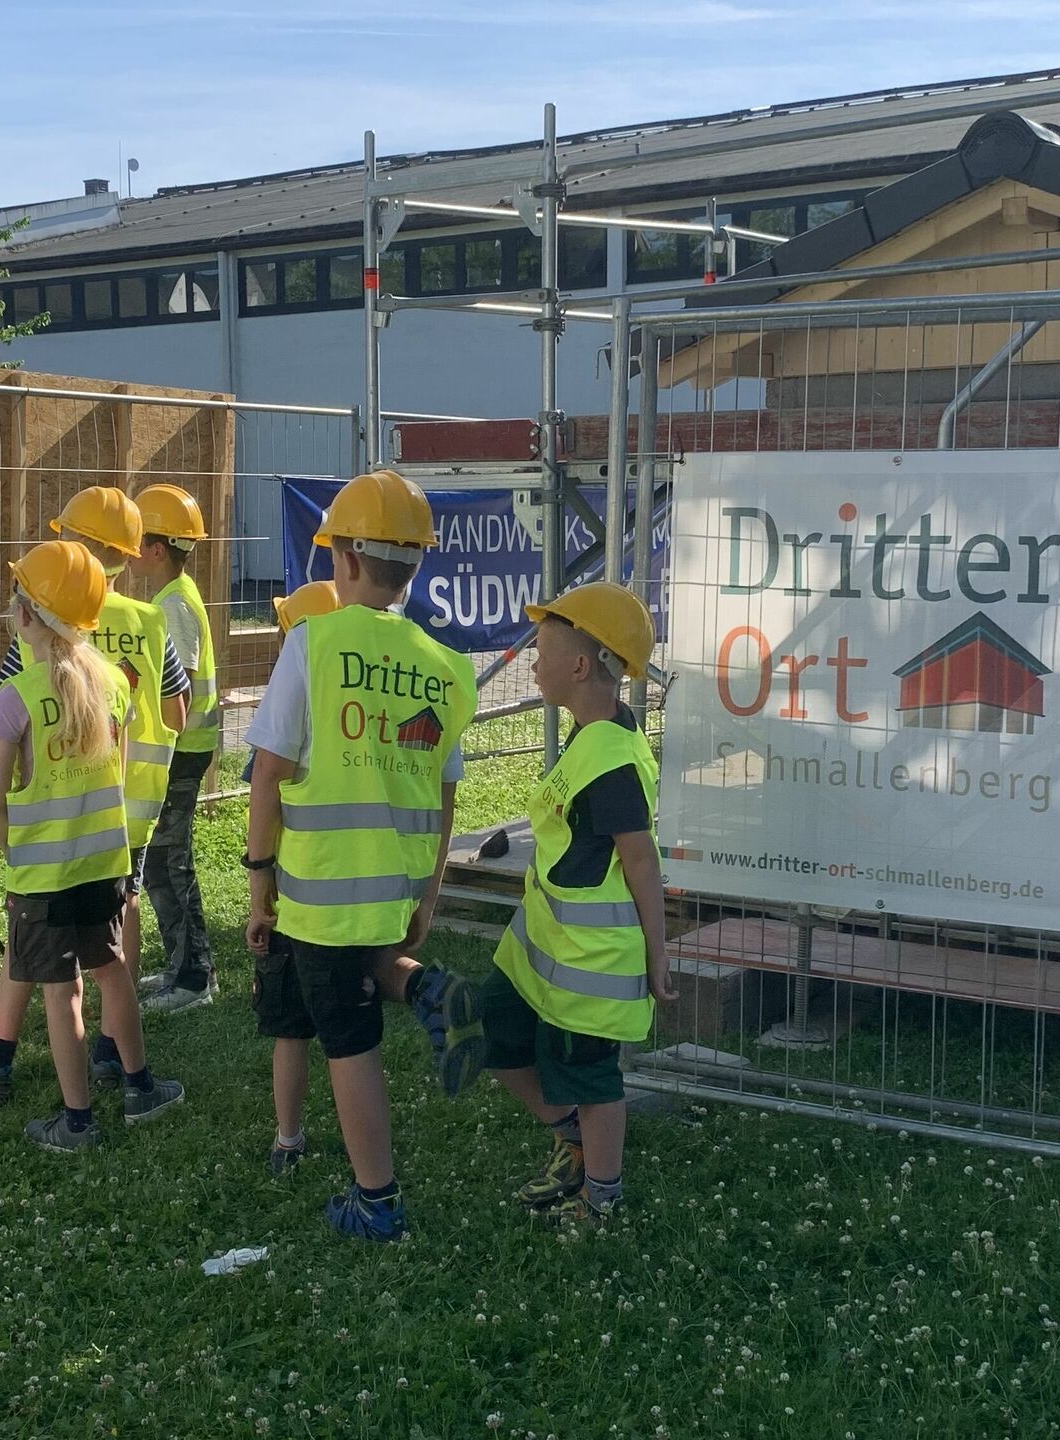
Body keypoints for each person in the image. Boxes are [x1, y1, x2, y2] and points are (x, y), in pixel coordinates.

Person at [244, 469, 478, 1240]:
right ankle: (427, 989)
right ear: (415, 566)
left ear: (343, 560)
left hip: (319, 891)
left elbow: (270, 775)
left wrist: (258, 888)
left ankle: (377, 1201)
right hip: (395, 887)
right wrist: (430, 898)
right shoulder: (449, 669)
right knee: (360, 985)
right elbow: (447, 800)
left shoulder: (312, 644)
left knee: (349, 1044)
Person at [0, 540, 184, 1151]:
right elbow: (121, 774)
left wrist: (11, 847)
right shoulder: (114, 683)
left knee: (62, 995)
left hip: (43, 877)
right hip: (106, 865)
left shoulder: (16, 696)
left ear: (26, 616)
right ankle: (140, 1087)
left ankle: (77, 1121)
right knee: (113, 975)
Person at [484, 581, 675, 1225]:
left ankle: (603, 1195)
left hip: (591, 966)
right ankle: (572, 1142)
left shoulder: (613, 758)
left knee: (592, 1077)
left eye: (541, 650)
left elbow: (641, 861)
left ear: (579, 665)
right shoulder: (591, 734)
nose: (532, 663)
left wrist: (657, 956)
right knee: (499, 1029)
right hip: (542, 950)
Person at [0, 487, 190, 1085]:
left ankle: (0, 1058)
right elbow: (178, 710)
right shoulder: (149, 619)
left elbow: (5, 739)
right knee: (111, 947)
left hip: (52, 824)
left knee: (42, 951)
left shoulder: (41, 617)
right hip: (122, 814)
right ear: (128, 556)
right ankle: (117, 1055)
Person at [131, 483, 220, 1014]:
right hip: (180, 748)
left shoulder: (174, 607)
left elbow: (177, 687)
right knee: (164, 861)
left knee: (170, 862)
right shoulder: (170, 599)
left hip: (182, 749)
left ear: (157, 549)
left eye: (137, 540)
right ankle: (180, 964)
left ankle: (194, 977)